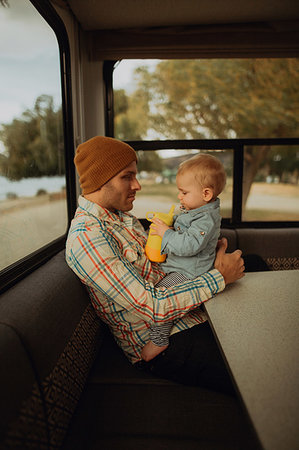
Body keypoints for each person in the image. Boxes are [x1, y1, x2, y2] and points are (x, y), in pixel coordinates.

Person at [65, 136, 245, 395]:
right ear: (99, 180)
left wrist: (209, 258)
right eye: (127, 177)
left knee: (254, 265)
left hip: (187, 305)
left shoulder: (122, 218)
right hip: (164, 338)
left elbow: (160, 263)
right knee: (261, 369)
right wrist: (219, 277)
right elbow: (153, 307)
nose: (137, 185)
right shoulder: (88, 238)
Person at [141, 154, 226, 362]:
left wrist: (165, 233)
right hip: (178, 266)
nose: (180, 197)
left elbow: (189, 245)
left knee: (163, 295)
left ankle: (159, 339)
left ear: (206, 194)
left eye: (184, 192)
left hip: (190, 271)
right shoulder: (195, 209)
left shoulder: (205, 218)